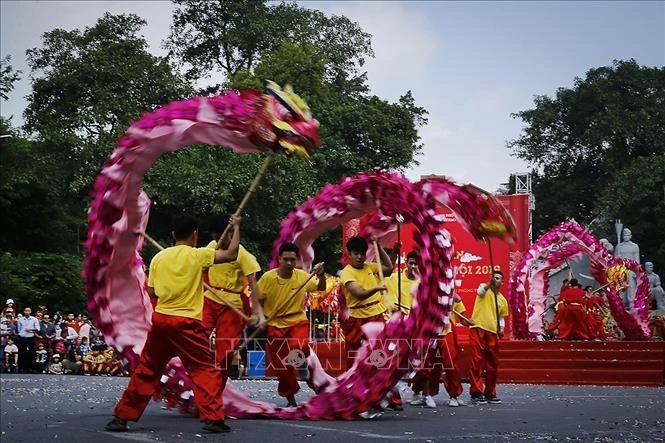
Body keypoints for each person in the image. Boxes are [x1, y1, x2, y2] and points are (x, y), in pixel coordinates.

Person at [104, 213, 241, 434]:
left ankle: (122, 417)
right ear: (195, 234)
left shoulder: (159, 258)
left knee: (147, 369)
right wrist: (236, 227)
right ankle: (213, 418)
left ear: (173, 234)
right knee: (203, 369)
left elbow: (151, 291)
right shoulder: (198, 255)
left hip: (161, 320)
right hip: (187, 322)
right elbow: (232, 253)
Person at [201, 214, 265, 395]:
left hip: (233, 305)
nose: (220, 240)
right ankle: (200, 383)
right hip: (210, 298)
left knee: (226, 352)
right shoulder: (211, 248)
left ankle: (214, 392)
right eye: (216, 236)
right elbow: (199, 271)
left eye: (225, 235)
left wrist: (257, 312)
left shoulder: (243, 254)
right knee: (195, 339)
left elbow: (253, 283)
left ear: (230, 233)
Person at [257, 243, 325, 407]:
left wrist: (321, 275)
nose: (289, 263)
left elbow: (320, 287)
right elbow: (257, 300)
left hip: (296, 320)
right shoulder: (267, 278)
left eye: (292, 260)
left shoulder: (302, 276)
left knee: (298, 346)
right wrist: (260, 317)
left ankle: (302, 365)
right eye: (285, 259)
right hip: (274, 323)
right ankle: (291, 399)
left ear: (297, 260)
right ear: (279, 259)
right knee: (282, 368)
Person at [411, 294, 473, 408]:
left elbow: (463, 319)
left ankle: (454, 396)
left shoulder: (452, 293)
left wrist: (470, 322)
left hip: (446, 332)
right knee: (425, 365)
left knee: (450, 365)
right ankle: (426, 395)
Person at [339, 236, 393, 369]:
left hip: (376, 315)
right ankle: (353, 383)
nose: (359, 257)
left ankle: (378, 383)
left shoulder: (370, 267)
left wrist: (379, 248)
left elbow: (389, 268)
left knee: (380, 351)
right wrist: (377, 288)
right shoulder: (346, 273)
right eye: (356, 254)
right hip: (357, 318)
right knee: (354, 355)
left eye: (362, 254)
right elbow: (359, 294)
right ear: (349, 254)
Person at [469, 270, 508, 404]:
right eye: (494, 278)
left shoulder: (502, 300)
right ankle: (476, 392)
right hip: (478, 328)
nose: (495, 280)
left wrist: (501, 329)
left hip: (492, 332)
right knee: (477, 361)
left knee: (492, 364)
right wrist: (487, 284)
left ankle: (490, 393)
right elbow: (480, 292)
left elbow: (501, 318)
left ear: (502, 282)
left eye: (498, 279)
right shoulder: (484, 288)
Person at [385, 250, 419, 315]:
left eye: (416, 264)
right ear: (406, 262)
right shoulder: (394, 277)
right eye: (411, 263)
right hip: (393, 318)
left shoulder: (423, 283)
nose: (413, 266)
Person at [17, 307, 40, 373]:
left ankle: (32, 368)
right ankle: (21, 368)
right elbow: (19, 329)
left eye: (28, 311)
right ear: (24, 312)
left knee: (32, 353)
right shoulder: (20, 320)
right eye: (26, 310)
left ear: (30, 312)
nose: (27, 312)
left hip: (31, 337)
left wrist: (30, 329)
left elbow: (38, 328)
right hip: (22, 337)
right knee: (22, 353)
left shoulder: (34, 319)